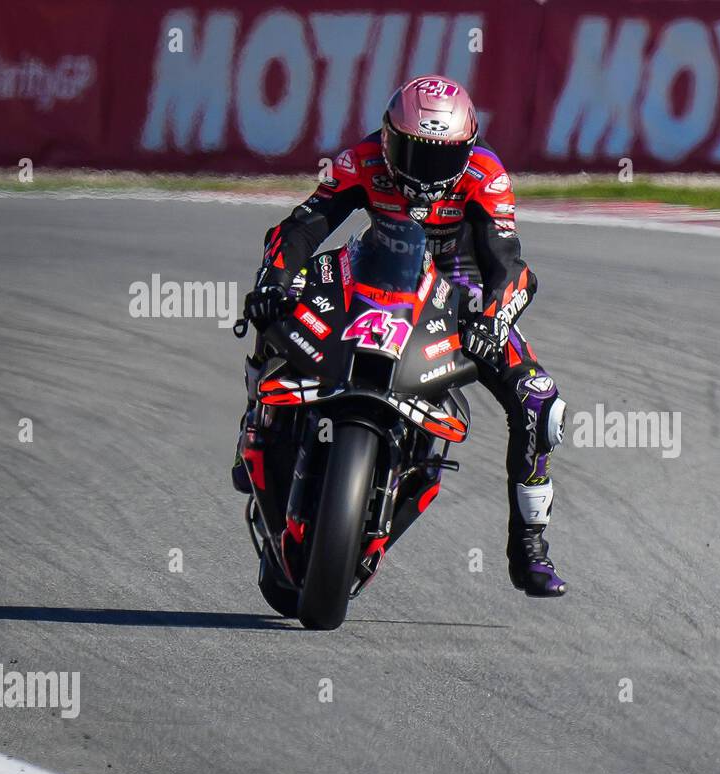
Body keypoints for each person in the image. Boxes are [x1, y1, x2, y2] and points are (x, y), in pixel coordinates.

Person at [234, 75, 566, 597]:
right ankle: (256, 413)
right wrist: (273, 281)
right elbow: (303, 227)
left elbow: (511, 268)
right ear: (388, 138)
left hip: (458, 298)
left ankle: (529, 545)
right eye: (411, 150)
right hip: (373, 277)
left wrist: (491, 321)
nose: (421, 170)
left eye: (438, 157)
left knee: (540, 402)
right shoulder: (361, 159)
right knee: (279, 295)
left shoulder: (486, 175)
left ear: (467, 149)